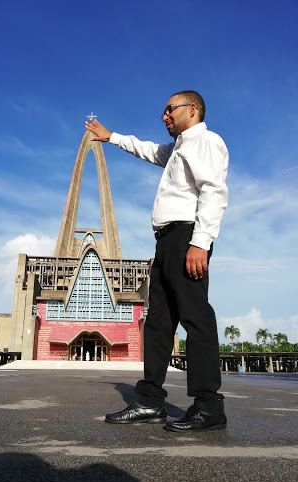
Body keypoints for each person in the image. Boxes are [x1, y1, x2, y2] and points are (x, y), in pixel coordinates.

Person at [85, 90, 229, 432]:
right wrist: (113, 137)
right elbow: (148, 150)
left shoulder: (205, 142)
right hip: (166, 243)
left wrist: (200, 243)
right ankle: (151, 401)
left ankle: (209, 406)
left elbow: (214, 191)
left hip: (186, 238)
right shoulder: (179, 148)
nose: (164, 116)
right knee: (158, 323)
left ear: (191, 109)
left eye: (170, 109)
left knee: (196, 319)